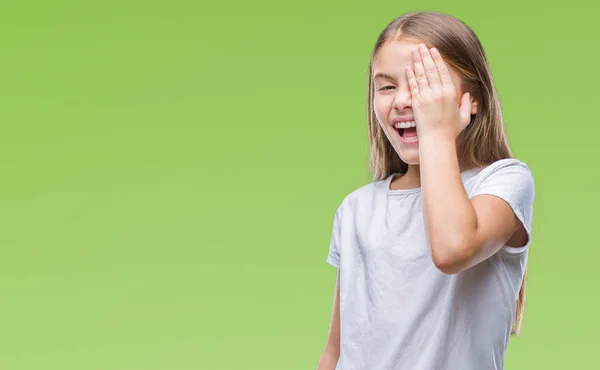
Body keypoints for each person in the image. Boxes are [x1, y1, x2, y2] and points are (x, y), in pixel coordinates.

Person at [316, 11, 535, 370]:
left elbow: (452, 249)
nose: (403, 100)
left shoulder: (504, 182)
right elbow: (337, 351)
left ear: (472, 99)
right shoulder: (357, 208)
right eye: (387, 86)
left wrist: (436, 130)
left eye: (423, 85)